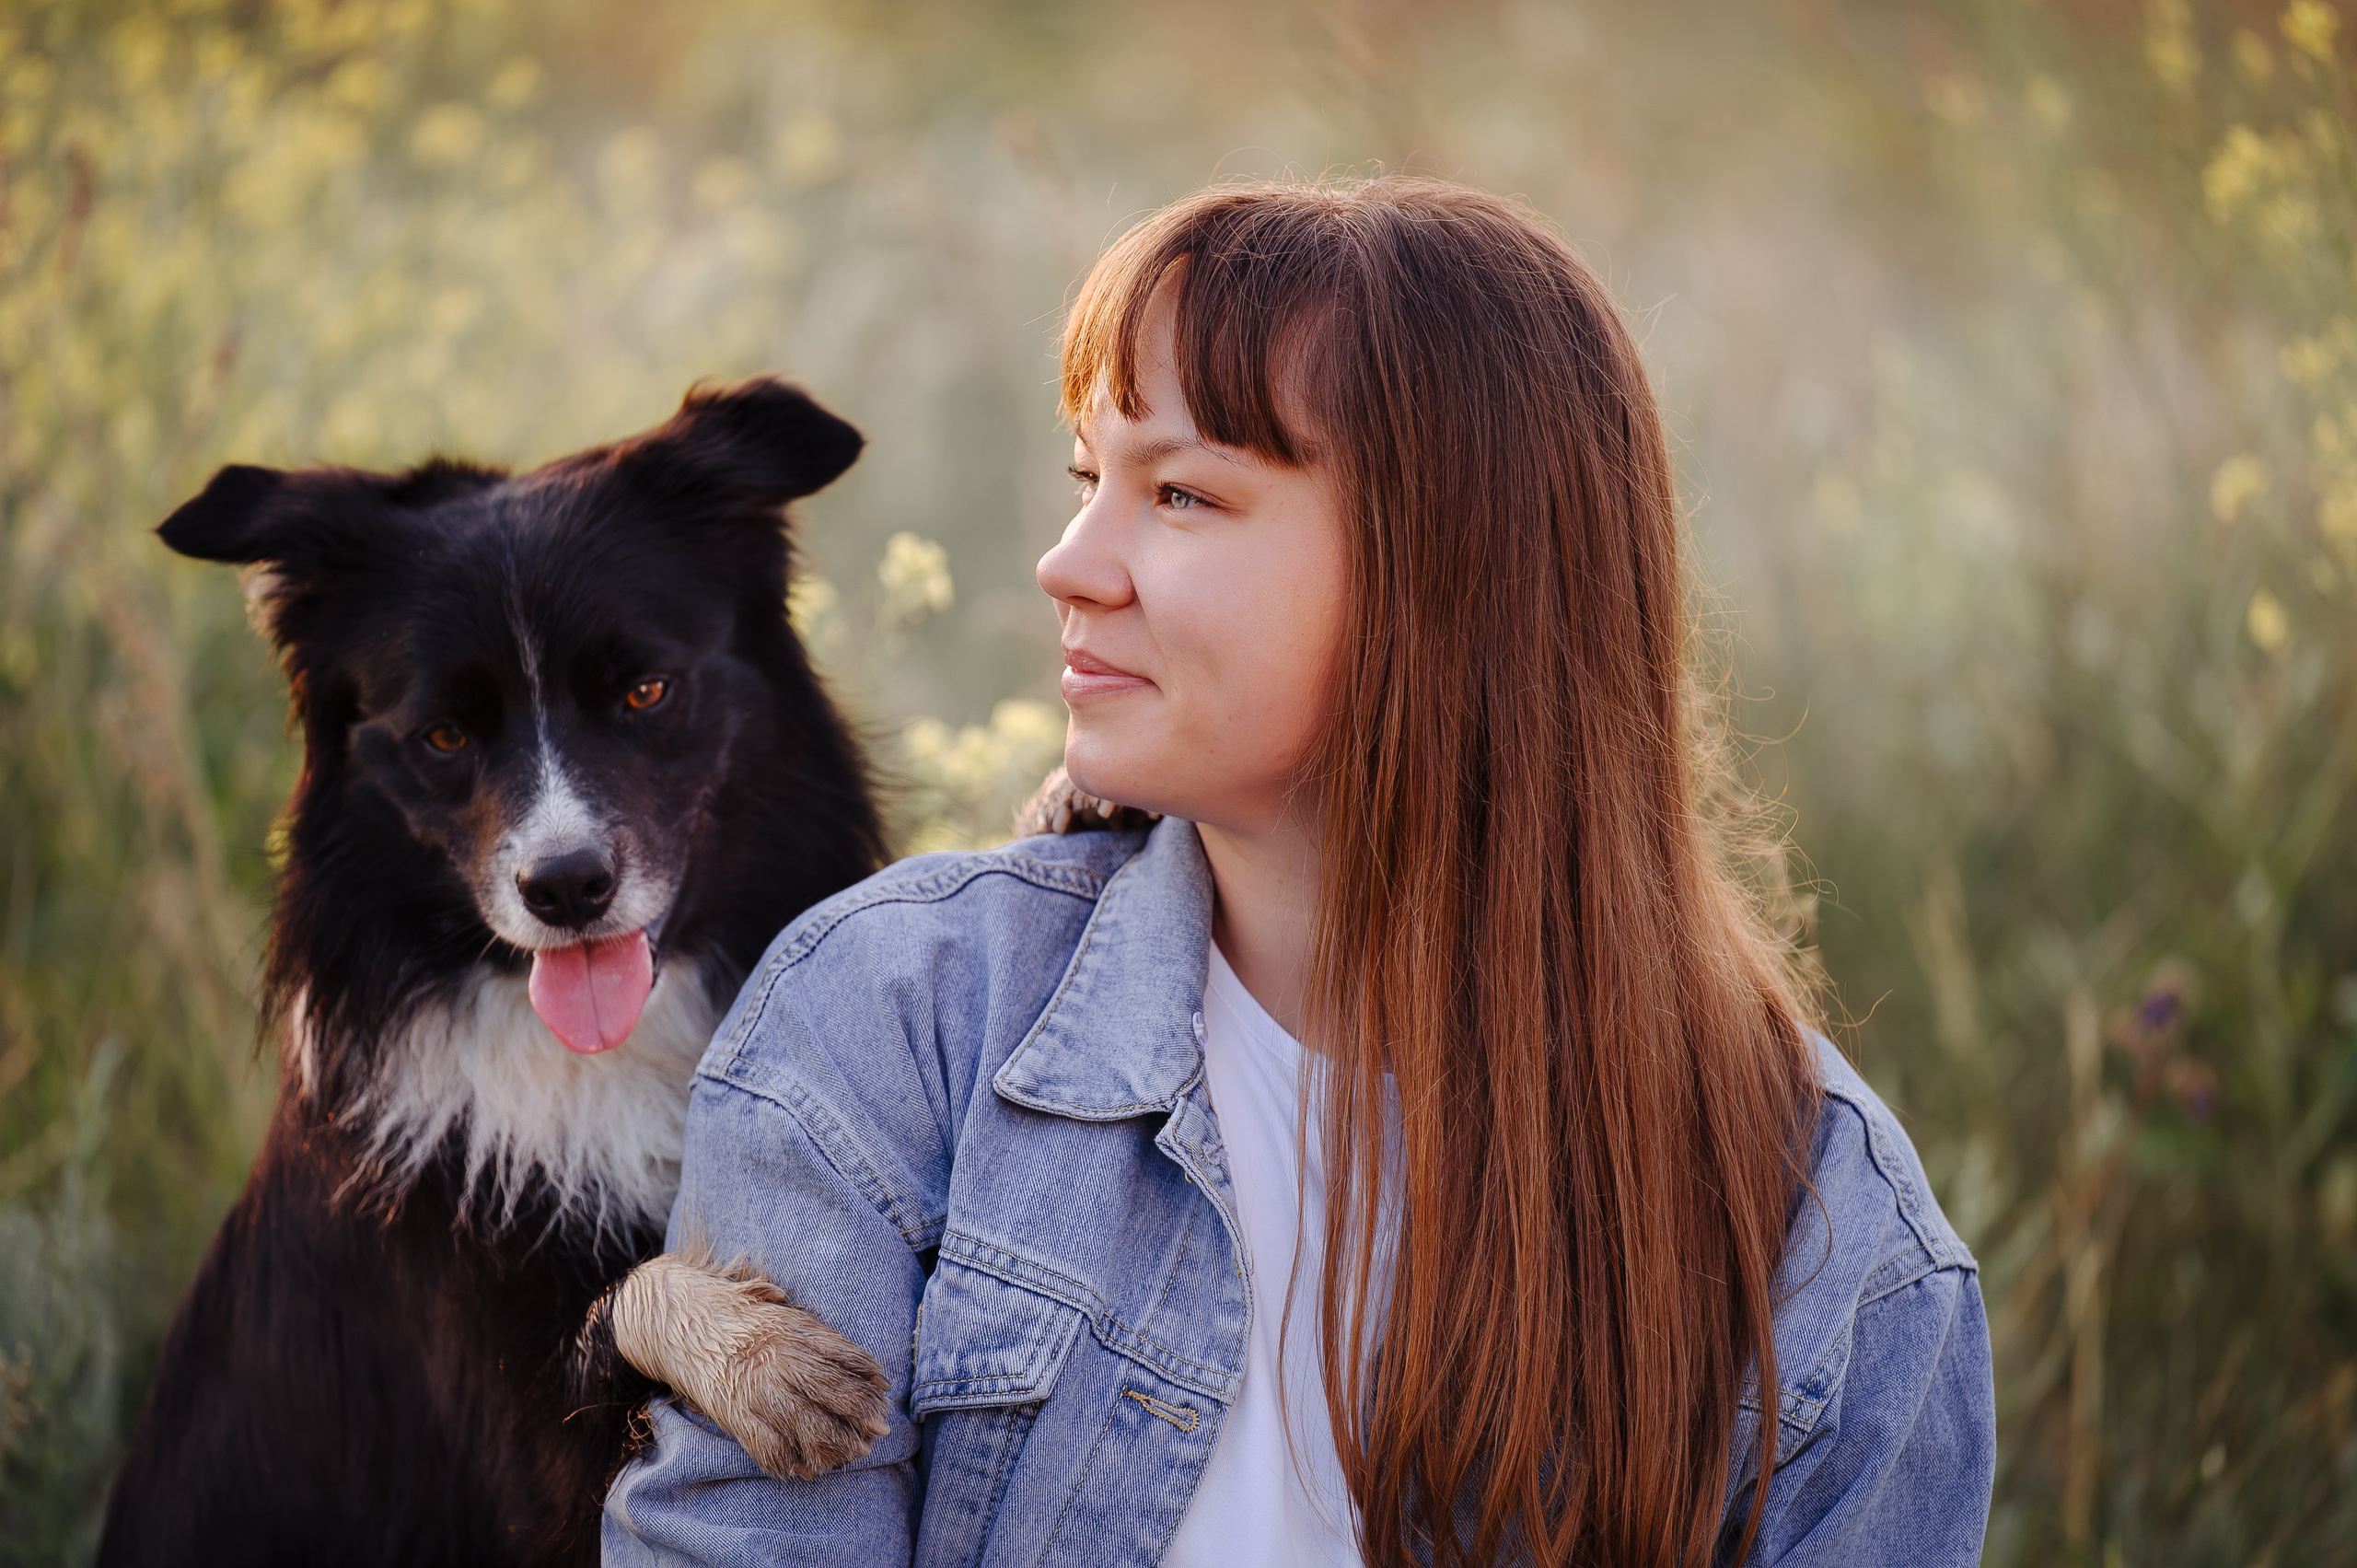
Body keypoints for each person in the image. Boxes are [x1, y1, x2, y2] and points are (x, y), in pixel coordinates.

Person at [602, 177, 1994, 1567]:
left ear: (1451, 573)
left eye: (1184, 493)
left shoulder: (1827, 1244)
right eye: (1091, 480)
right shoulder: (899, 1025)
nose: (1067, 564)